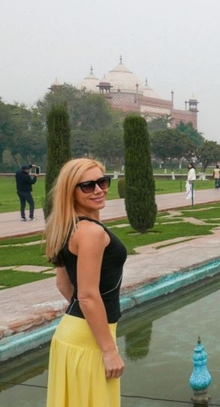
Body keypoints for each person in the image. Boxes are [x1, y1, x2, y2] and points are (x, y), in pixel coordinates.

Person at [44, 158, 127, 407]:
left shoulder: (68, 227)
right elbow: (88, 296)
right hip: (89, 340)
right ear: (71, 191)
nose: (99, 190)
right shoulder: (91, 232)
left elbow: (64, 284)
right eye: (88, 186)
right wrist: (109, 350)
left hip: (73, 334)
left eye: (102, 182)